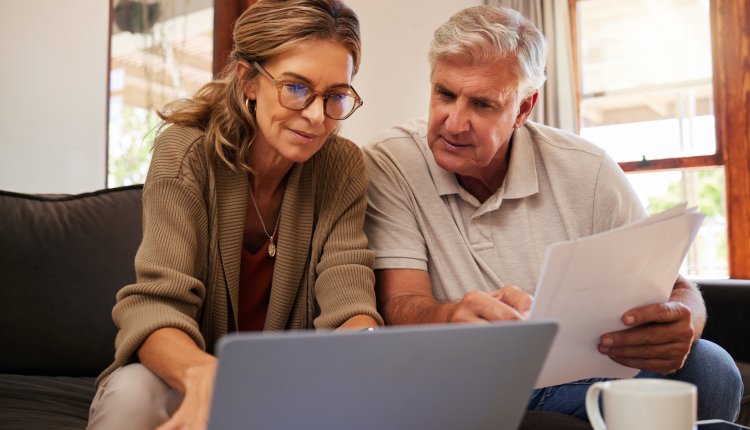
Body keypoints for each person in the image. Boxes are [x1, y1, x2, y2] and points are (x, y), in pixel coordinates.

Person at [363, 5, 742, 423]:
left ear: (524, 109)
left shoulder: (587, 168)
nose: (453, 123)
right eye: (445, 94)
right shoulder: (391, 162)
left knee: (712, 368)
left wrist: (686, 321)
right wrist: (450, 317)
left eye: (483, 104)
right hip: (468, 380)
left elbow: (675, 288)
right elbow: (400, 302)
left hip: (587, 374)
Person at [87, 1, 382, 429]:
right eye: (296, 88)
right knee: (133, 394)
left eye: (335, 96)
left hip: (289, 387)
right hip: (185, 376)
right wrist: (206, 375)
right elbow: (154, 307)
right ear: (248, 81)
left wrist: (368, 348)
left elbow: (348, 298)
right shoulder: (185, 152)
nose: (317, 117)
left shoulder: (342, 166)